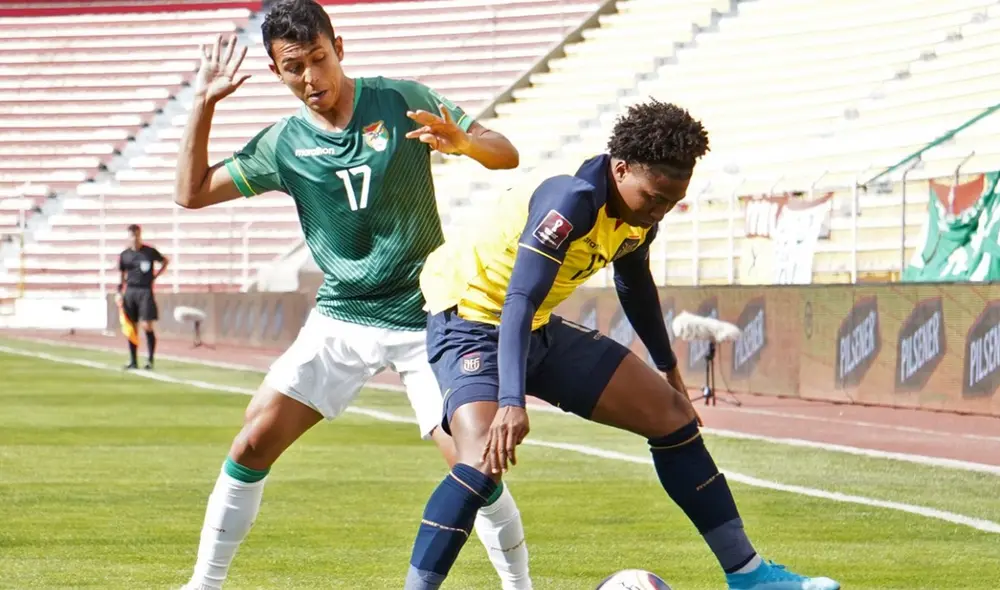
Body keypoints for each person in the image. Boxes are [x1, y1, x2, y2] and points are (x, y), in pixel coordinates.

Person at [404, 99, 841, 590]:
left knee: (673, 417)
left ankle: (750, 577)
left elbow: (634, 282)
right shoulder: (569, 202)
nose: (658, 211)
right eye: (653, 197)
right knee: (483, 457)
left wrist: (668, 367)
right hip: (470, 321)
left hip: (534, 325)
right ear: (621, 168)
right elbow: (519, 299)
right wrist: (511, 400)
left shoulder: (639, 213)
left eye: (671, 203)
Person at [172, 1, 532, 588]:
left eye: (319, 58)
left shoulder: (399, 100)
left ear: (339, 45)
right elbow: (191, 194)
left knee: (475, 467)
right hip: (341, 317)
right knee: (253, 438)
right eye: (294, 67)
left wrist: (463, 143)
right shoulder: (281, 145)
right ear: (274, 70)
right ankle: (204, 584)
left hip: (427, 318)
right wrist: (203, 104)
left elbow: (505, 153)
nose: (311, 77)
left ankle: (520, 586)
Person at [116, 223, 167, 370]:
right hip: (130, 291)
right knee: (131, 327)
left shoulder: (149, 252)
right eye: (132, 235)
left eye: (137, 235)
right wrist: (119, 291)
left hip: (145, 291)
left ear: (140, 235)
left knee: (147, 325)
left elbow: (164, 261)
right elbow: (122, 274)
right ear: (128, 237)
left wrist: (155, 276)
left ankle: (150, 360)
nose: (135, 238)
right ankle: (133, 360)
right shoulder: (124, 255)